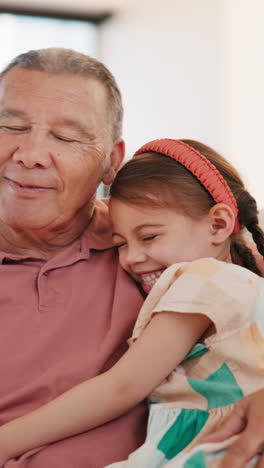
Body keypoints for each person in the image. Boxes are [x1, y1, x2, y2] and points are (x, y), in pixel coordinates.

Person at [0, 138, 263, 467]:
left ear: (218, 224)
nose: (132, 259)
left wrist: (6, 441)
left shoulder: (202, 277)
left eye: (149, 236)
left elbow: (122, 386)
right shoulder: (242, 285)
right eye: (121, 243)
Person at [0, 47, 147, 467]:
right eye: (10, 125)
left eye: (65, 137)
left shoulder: (152, 250)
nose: (29, 154)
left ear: (111, 162)